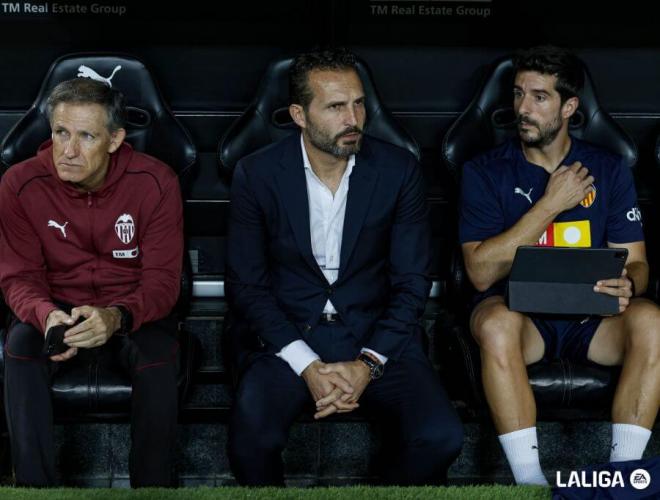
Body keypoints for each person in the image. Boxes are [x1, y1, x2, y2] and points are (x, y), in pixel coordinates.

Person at [225, 47, 463, 486]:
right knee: (250, 441)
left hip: (377, 336)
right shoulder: (257, 174)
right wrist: (307, 366)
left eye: (358, 103)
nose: (353, 118)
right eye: (336, 106)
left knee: (440, 437)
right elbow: (247, 287)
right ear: (299, 113)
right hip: (287, 338)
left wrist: (367, 363)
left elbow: (412, 283)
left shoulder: (398, 170)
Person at [459, 45, 660, 485]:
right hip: (522, 319)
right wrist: (550, 205)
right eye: (517, 95)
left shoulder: (608, 169)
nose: (522, 109)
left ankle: (622, 478)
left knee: (652, 321)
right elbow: (479, 272)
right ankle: (530, 485)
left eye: (539, 97)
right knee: (494, 322)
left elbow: (640, 264)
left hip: (593, 321)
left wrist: (629, 283)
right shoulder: (485, 171)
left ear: (569, 106)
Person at [0, 78, 183, 487]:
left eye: (86, 136)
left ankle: (152, 491)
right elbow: (18, 277)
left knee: (158, 356)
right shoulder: (20, 182)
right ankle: (35, 490)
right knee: (20, 349)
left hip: (131, 307)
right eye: (61, 133)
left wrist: (117, 316)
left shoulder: (156, 181)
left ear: (115, 139)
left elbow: (163, 284)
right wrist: (46, 315)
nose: (68, 150)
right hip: (56, 305)